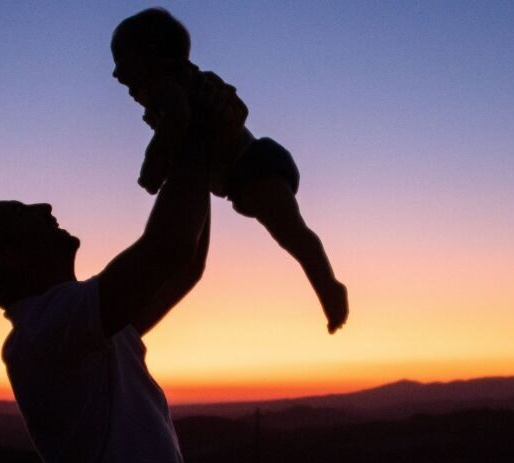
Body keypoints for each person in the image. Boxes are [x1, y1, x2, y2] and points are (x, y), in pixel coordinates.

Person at [0, 80, 244, 463]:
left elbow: (182, 264)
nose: (43, 206)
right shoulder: (44, 330)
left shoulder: (82, 327)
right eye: (19, 211)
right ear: (10, 257)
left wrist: (193, 155)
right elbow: (170, 247)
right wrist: (193, 133)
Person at [111, 7, 349, 333]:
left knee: (293, 235)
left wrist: (153, 165)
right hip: (228, 174)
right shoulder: (176, 83)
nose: (115, 73)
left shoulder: (165, 86)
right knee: (194, 262)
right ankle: (131, 329)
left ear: (151, 55)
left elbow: (177, 120)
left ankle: (329, 288)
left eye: (122, 60)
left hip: (253, 167)